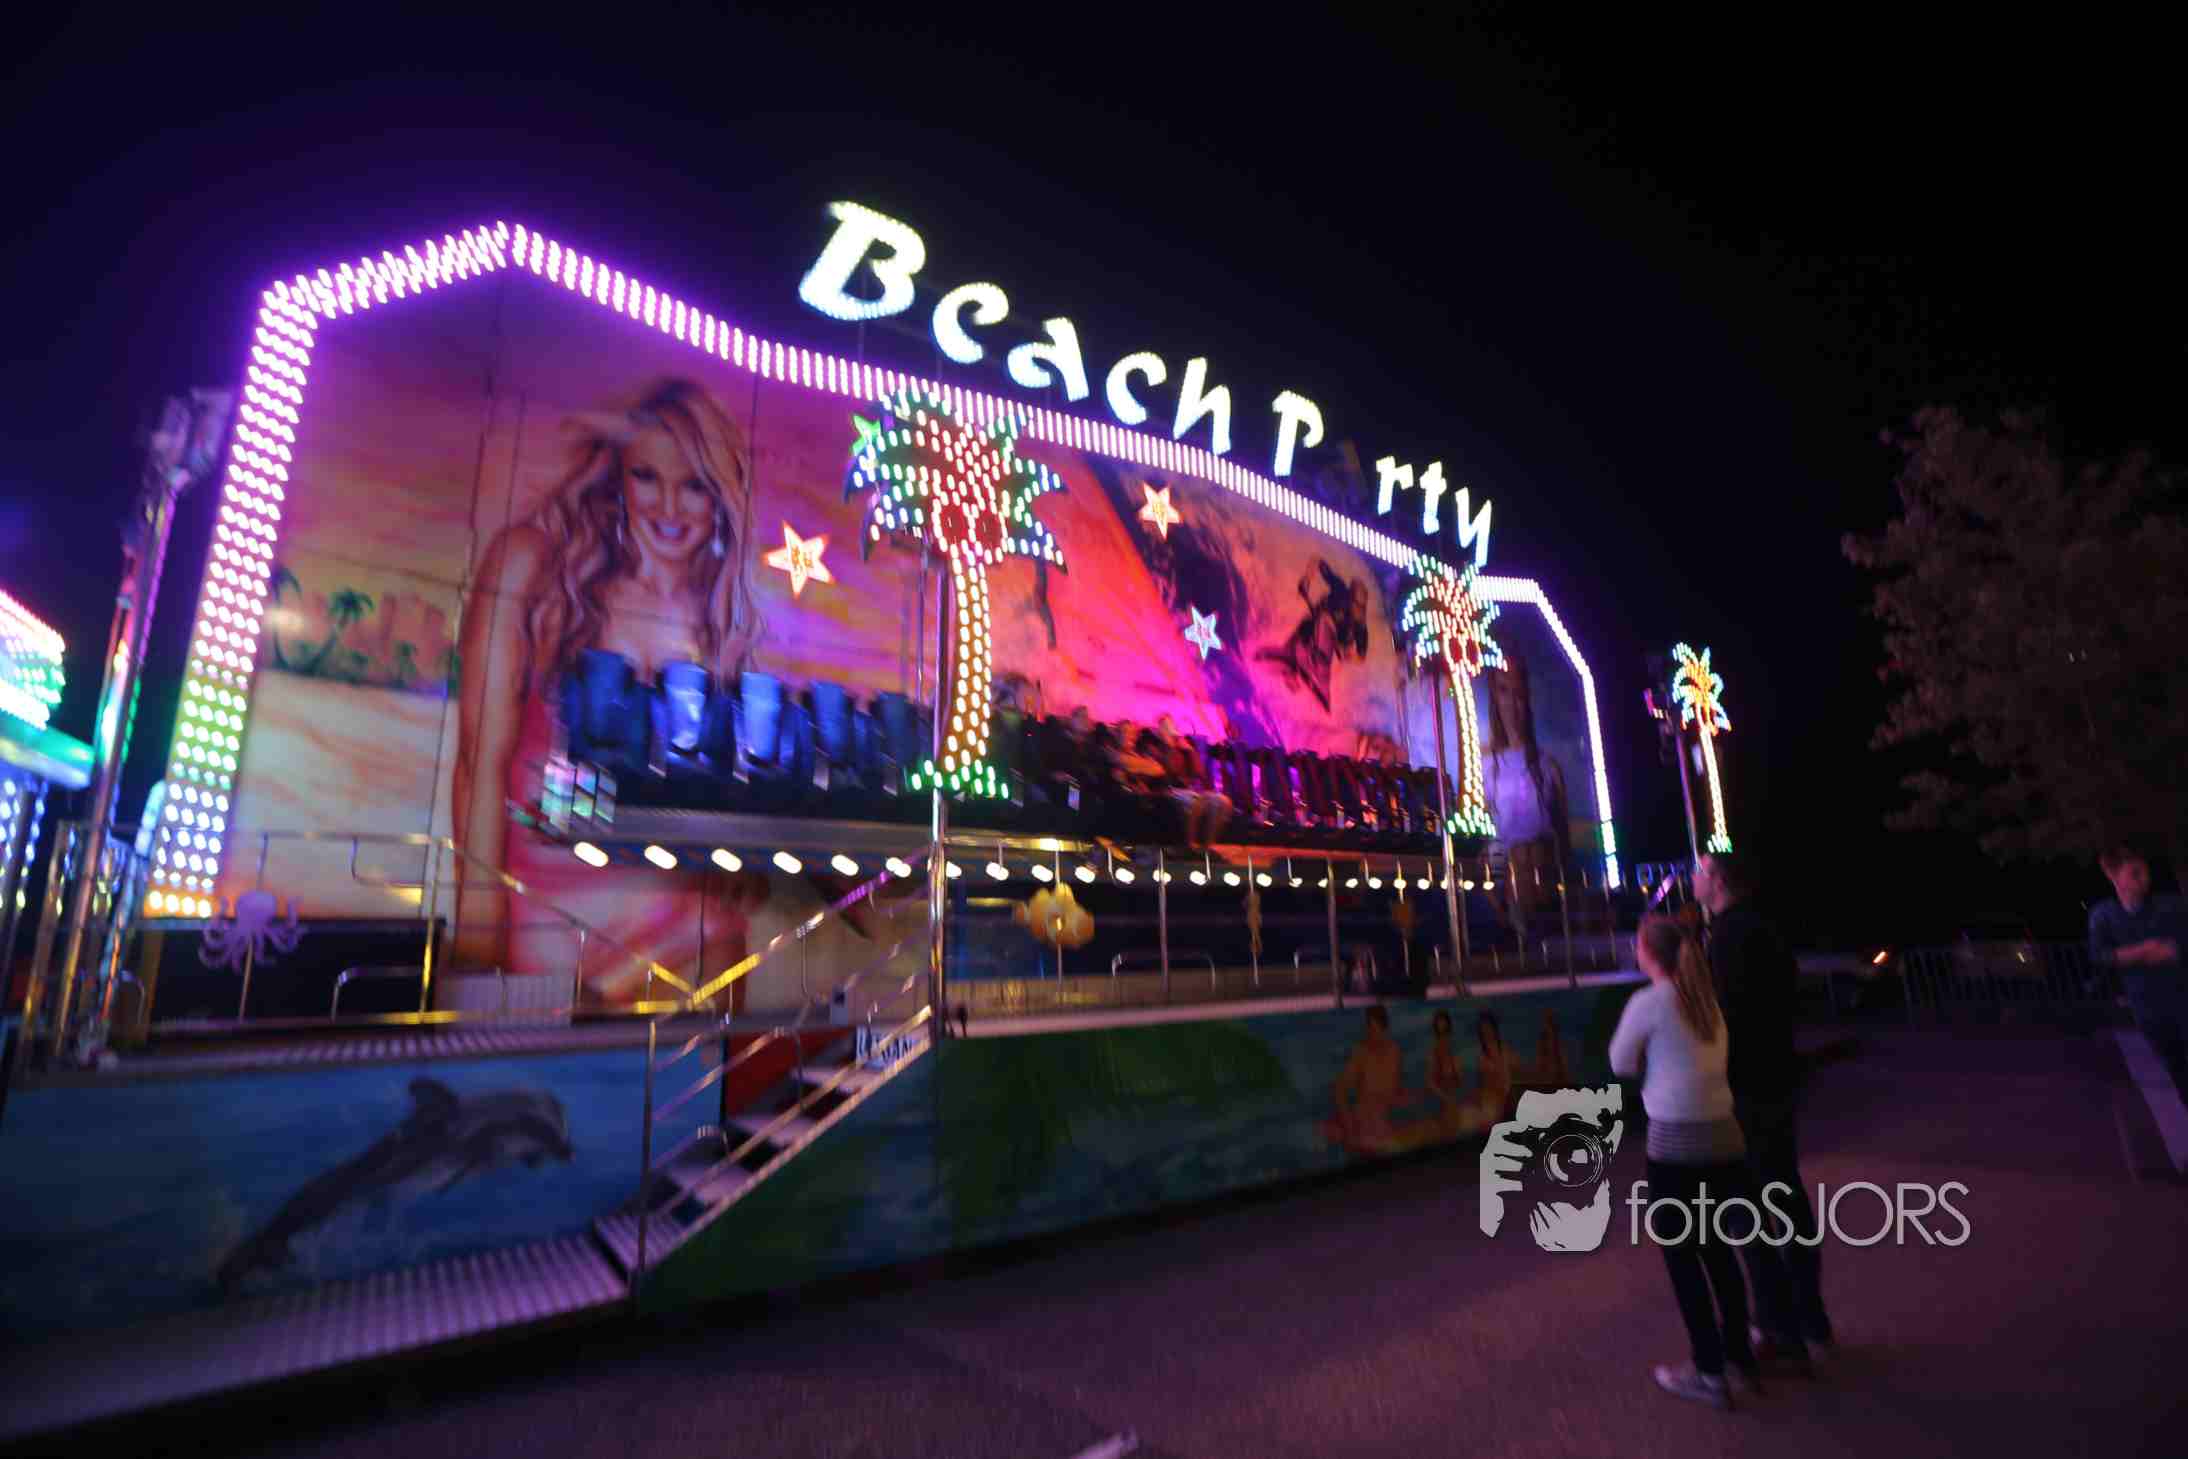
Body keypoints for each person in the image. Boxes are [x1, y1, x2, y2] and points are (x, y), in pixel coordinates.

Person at [450, 379, 765, 1003]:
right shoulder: (530, 564)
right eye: (647, 476)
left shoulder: (721, 615)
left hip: (689, 929)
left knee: (699, 1061)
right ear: (617, 475)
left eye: (694, 485)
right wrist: (477, 935)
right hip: (549, 919)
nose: (669, 507)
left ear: (719, 496)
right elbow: (479, 766)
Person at [1609, 914, 1763, 1409]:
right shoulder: (1705, 999)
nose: (1635, 952)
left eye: (1638, 945)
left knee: (1683, 1260)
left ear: (1649, 953)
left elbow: (1619, 1062)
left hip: (1676, 1143)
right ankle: (1739, 1357)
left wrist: (1653, 1067)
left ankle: (1708, 1370)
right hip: (1725, 1137)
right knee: (1719, 1251)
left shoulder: (1649, 1002)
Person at [1694, 851, 1830, 1370]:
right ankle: (1809, 1318)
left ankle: (1776, 1327)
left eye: (1699, 872)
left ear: (1718, 881)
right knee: (1786, 1197)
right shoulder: (1766, 928)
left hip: (1745, 1090)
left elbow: (1727, 1017)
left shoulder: (1729, 937)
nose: (1692, 879)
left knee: (1746, 1207)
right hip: (1775, 1080)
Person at [2088, 845, 2187, 1095]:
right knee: (2175, 1064)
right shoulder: (2104, 915)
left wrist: (2174, 950)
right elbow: (2099, 956)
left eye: (2145, 872)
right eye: (2135, 873)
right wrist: (2140, 952)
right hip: (2146, 1005)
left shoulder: (2171, 906)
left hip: (2181, 996)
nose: (2144, 879)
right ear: (2113, 876)